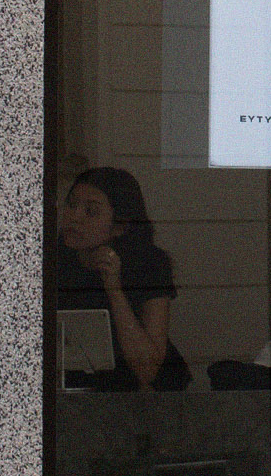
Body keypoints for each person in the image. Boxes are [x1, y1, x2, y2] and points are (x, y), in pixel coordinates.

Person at [57, 166, 191, 391]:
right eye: (71, 205)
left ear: (119, 226)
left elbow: (148, 370)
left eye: (90, 211)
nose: (74, 218)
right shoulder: (54, 259)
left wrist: (114, 288)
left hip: (143, 391)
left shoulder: (148, 263)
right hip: (76, 387)